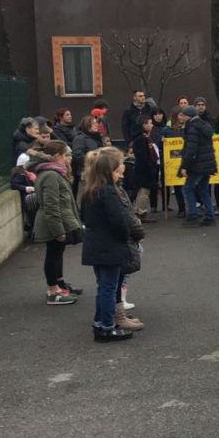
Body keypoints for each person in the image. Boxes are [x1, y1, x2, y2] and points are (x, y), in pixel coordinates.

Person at [79, 149, 142, 342]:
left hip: (95, 245)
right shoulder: (109, 192)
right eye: (116, 171)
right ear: (108, 172)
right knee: (109, 288)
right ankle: (107, 327)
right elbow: (118, 220)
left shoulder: (89, 191)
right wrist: (126, 237)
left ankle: (101, 323)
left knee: (103, 287)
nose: (119, 174)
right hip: (110, 246)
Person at [27, 141, 83, 305]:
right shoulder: (51, 175)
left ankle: (58, 285)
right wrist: (58, 230)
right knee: (53, 254)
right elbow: (51, 206)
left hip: (59, 221)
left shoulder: (54, 173)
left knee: (56, 253)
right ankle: (53, 291)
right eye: (66, 155)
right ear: (57, 156)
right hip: (53, 223)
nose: (68, 158)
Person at [179, 105, 218, 226]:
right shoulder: (204, 125)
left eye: (183, 115)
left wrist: (184, 166)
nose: (181, 117)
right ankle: (210, 216)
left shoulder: (193, 128)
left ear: (188, 116)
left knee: (187, 188)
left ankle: (192, 216)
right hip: (207, 163)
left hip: (197, 165)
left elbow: (191, 149)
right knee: (203, 189)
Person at [130, 116, 161, 222]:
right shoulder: (141, 139)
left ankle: (141, 211)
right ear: (144, 125)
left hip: (147, 167)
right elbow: (143, 155)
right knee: (144, 190)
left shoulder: (146, 137)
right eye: (150, 123)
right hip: (144, 169)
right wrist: (150, 164)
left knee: (144, 190)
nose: (152, 125)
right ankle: (140, 212)